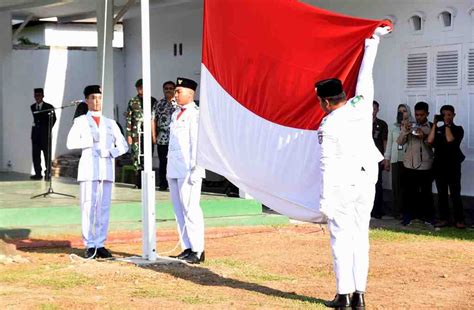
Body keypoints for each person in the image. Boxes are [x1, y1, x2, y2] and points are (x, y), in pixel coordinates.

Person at [316, 26, 391, 309]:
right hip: (366, 180)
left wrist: (325, 199)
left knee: (340, 238)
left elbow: (327, 164)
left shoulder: (328, 123)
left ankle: (344, 294)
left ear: (324, 102)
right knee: (361, 236)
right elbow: (365, 77)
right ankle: (360, 294)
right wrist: (372, 42)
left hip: (342, 185)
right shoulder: (360, 106)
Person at [66, 85, 128, 259]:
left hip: (105, 168)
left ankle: (100, 243)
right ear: (86, 100)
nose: (96, 101)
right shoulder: (80, 121)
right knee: (88, 206)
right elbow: (70, 143)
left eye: (99, 97)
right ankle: (89, 244)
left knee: (104, 207)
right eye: (92, 97)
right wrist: (89, 141)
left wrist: (110, 152)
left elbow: (123, 145)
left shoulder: (110, 123)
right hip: (88, 168)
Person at [167, 77, 205, 264]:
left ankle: (198, 249)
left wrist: (196, 169)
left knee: (191, 209)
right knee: (179, 210)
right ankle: (187, 247)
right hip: (174, 167)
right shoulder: (175, 114)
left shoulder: (195, 114)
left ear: (191, 94)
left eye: (179, 91)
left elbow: (197, 144)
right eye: (175, 91)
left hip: (189, 169)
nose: (176, 94)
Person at [427, 105, 466, 229]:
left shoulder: (458, 129)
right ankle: (443, 218)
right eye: (444, 115)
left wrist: (448, 125)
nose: (447, 117)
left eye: (449, 114)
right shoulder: (438, 129)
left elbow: (450, 140)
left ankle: (459, 220)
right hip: (439, 165)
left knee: (455, 193)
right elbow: (430, 141)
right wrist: (434, 124)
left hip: (453, 166)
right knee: (442, 193)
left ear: (454, 115)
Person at [397, 101, 434, 226]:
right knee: (409, 193)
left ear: (427, 114)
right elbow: (400, 142)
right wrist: (405, 131)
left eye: (421, 115)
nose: (418, 117)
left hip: (425, 165)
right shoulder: (409, 126)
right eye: (417, 115)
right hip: (409, 165)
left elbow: (433, 144)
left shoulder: (432, 127)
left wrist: (423, 136)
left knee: (426, 193)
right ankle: (408, 217)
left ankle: (428, 218)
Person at [126, 78, 158, 189]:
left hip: (148, 133)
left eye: (142, 88)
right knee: (136, 156)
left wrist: (155, 135)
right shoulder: (133, 101)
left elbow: (155, 119)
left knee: (148, 155)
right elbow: (129, 118)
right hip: (136, 133)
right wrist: (129, 135)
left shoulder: (153, 101)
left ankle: (148, 182)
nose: (140, 90)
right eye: (138, 88)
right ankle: (138, 182)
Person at [383, 104, 412, 218]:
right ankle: (396, 211)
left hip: (408, 159)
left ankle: (407, 211)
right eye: (400, 111)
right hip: (396, 159)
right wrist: (387, 160)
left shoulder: (411, 126)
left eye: (404, 111)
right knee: (396, 186)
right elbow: (389, 144)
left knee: (407, 186)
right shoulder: (392, 126)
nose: (402, 113)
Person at [152, 81, 177, 191]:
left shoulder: (178, 104)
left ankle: (175, 184)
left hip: (176, 139)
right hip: (162, 139)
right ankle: (163, 184)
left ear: (175, 90)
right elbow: (153, 119)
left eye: (171, 88)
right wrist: (153, 135)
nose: (168, 90)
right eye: (166, 88)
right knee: (163, 162)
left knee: (175, 162)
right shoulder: (158, 104)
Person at [30, 88, 56, 180]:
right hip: (35, 135)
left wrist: (47, 129)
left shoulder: (49, 106)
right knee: (35, 155)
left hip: (45, 135)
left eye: (39, 95)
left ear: (43, 96)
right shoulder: (32, 107)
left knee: (47, 155)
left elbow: (54, 119)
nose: (37, 97)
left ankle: (48, 173)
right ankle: (38, 173)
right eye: (36, 95)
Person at [371, 100, 388, 219]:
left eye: (374, 109)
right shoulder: (359, 123)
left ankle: (377, 211)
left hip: (377, 159)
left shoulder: (382, 124)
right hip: (362, 159)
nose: (372, 111)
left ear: (378, 110)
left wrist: (385, 158)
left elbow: (385, 141)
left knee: (377, 184)